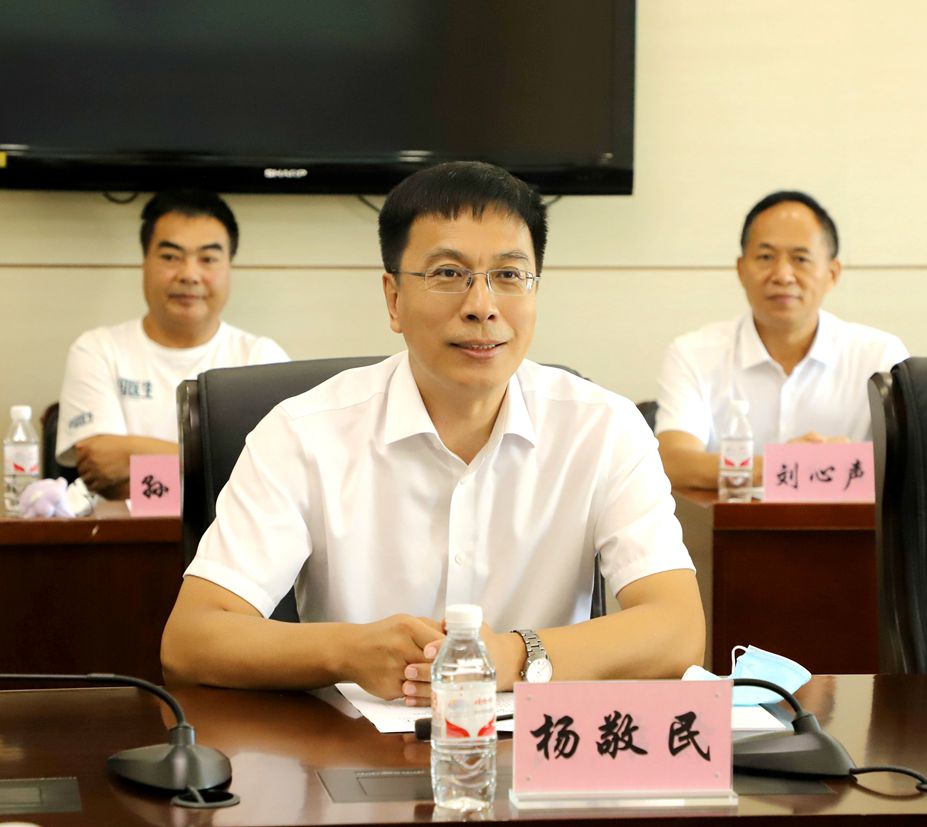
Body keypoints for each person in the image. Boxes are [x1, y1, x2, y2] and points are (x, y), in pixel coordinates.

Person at [161, 161, 704, 701]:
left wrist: (513, 656)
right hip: (350, 744)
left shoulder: (603, 428)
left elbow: (678, 629)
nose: (482, 307)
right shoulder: (303, 434)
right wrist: (347, 651)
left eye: (509, 276)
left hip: (537, 745)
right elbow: (191, 640)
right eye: (447, 274)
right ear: (394, 299)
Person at [655, 190, 909, 490]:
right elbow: (673, 462)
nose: (783, 275)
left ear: (832, 273)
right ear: (741, 269)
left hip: (852, 522)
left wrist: (793, 469)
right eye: (766, 257)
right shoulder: (693, 354)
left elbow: (912, 466)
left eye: (800, 259)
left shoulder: (880, 356)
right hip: (727, 522)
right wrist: (784, 466)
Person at [55, 189, 289, 499]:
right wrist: (222, 465)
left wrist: (135, 456)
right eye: (170, 257)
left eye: (208, 259)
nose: (189, 274)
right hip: (122, 530)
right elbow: (104, 471)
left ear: (229, 266)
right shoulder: (98, 349)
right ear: (144, 262)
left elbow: (276, 475)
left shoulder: (261, 359)